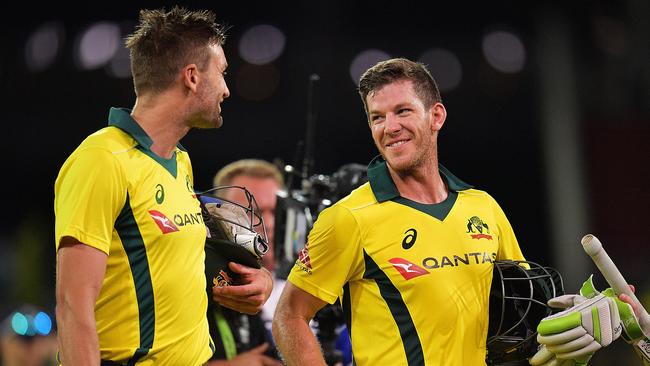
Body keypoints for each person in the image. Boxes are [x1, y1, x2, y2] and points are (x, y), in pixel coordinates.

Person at [272, 58, 528, 365]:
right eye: (377, 117)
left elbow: (522, 304)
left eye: (402, 111)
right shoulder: (349, 218)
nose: (390, 128)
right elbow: (289, 315)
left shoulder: (483, 207)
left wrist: (570, 325)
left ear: (436, 116)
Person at [54, 7, 273, 365]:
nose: (227, 90)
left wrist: (254, 279)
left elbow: (174, 265)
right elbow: (72, 304)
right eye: (221, 73)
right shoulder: (102, 160)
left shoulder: (180, 161)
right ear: (191, 77)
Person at [206, 159, 284, 366]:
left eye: (275, 212)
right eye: (253, 212)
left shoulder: (303, 275)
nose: (268, 223)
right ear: (218, 214)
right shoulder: (200, 273)